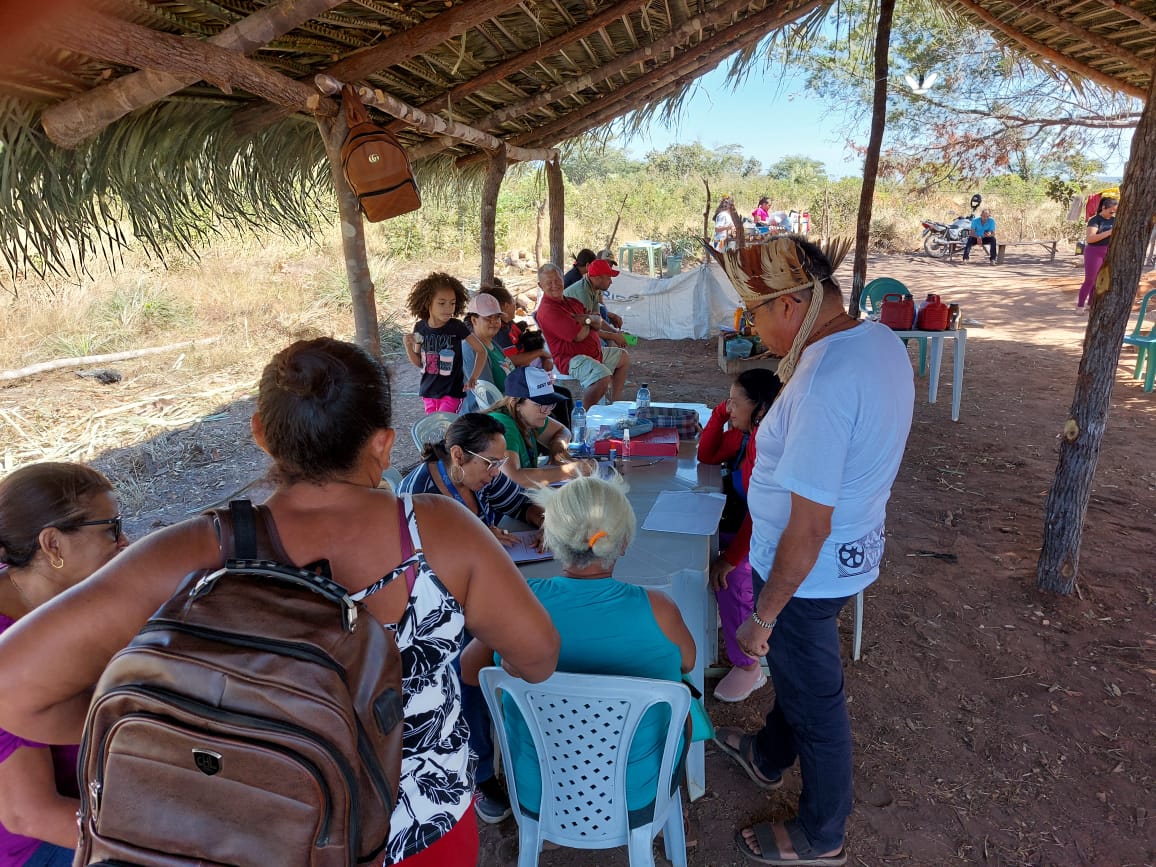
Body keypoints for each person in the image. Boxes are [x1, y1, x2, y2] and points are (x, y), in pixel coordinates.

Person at [0, 338, 561, 866]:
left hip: (262, 835)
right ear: (383, 443)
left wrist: (164, 714)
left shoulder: (195, 548)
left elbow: (12, 688)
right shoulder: (436, 530)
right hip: (420, 829)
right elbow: (537, 658)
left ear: (260, 434)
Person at [711, 236, 914, 866]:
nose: (752, 329)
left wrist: (762, 615)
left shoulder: (824, 379)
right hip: (848, 555)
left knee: (814, 702)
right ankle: (768, 756)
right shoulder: (875, 339)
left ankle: (822, 834)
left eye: (756, 315)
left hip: (807, 574)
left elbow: (807, 526)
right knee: (802, 680)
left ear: (794, 305)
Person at [460, 473, 695, 826]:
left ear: (551, 542)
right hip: (639, 793)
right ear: (625, 542)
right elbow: (687, 663)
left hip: (536, 790)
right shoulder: (661, 610)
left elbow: (467, 670)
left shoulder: (519, 604)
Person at [396, 412, 544, 827]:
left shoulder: (484, 475)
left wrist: (541, 520)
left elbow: (518, 502)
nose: (495, 472)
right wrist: (476, 539)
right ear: (458, 454)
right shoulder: (419, 494)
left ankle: (525, 747)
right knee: (470, 672)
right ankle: (480, 772)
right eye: (489, 464)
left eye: (499, 463)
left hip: (484, 590)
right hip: (440, 610)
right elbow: (421, 576)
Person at [0, 462, 129, 867]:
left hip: (92, 791)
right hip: (36, 847)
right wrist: (165, 844)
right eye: (111, 528)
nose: (125, 542)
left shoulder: (36, 597)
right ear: (53, 545)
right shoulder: (10, 652)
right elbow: (28, 814)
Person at [697, 369, 782, 703]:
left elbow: (763, 514)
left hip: (767, 531)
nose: (727, 409)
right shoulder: (746, 434)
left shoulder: (765, 444)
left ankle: (749, 666)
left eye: (734, 403)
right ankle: (730, 615)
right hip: (747, 519)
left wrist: (731, 559)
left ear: (760, 407)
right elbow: (706, 455)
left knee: (729, 577)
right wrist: (721, 414)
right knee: (708, 548)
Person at [535, 263, 630, 408]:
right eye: (549, 282)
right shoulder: (548, 310)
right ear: (540, 286)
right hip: (571, 358)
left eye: (558, 280)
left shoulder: (570, 301)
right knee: (602, 376)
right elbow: (579, 335)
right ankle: (583, 416)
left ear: (563, 279)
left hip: (591, 352)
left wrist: (587, 320)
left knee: (623, 357)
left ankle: (614, 405)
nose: (554, 285)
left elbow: (597, 320)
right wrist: (589, 320)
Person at [486, 366, 594, 487]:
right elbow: (513, 477)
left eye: (550, 404)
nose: (547, 411)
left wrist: (557, 447)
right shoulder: (503, 424)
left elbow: (562, 431)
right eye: (540, 405)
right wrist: (571, 470)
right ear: (515, 403)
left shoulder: (526, 416)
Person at [403, 272, 487, 414]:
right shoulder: (420, 328)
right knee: (434, 430)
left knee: (444, 426)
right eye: (442, 303)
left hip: (452, 392)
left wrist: (473, 377)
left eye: (452, 303)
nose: (448, 308)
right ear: (428, 302)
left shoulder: (456, 327)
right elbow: (419, 362)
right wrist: (408, 346)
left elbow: (481, 351)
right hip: (428, 392)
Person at [460, 293, 515, 413]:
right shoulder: (472, 349)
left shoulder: (493, 344)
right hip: (484, 418)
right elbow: (487, 397)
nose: (494, 322)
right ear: (474, 320)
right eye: (488, 318)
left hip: (507, 407)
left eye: (497, 317)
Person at [1077, 196, 1118, 310]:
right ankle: (1080, 305)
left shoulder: (1114, 220)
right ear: (1103, 208)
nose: (1112, 213)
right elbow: (1090, 239)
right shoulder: (1095, 220)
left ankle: (1091, 304)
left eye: (1114, 212)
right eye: (1111, 211)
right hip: (1094, 252)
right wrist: (1109, 232)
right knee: (1090, 279)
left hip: (1108, 251)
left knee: (1099, 280)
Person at [565, 259, 626, 333]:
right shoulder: (583, 292)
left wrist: (615, 333)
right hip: (567, 332)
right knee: (599, 341)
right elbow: (589, 325)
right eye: (608, 278)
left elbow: (597, 319)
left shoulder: (594, 288)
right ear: (597, 278)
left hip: (579, 327)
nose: (611, 282)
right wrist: (613, 336)